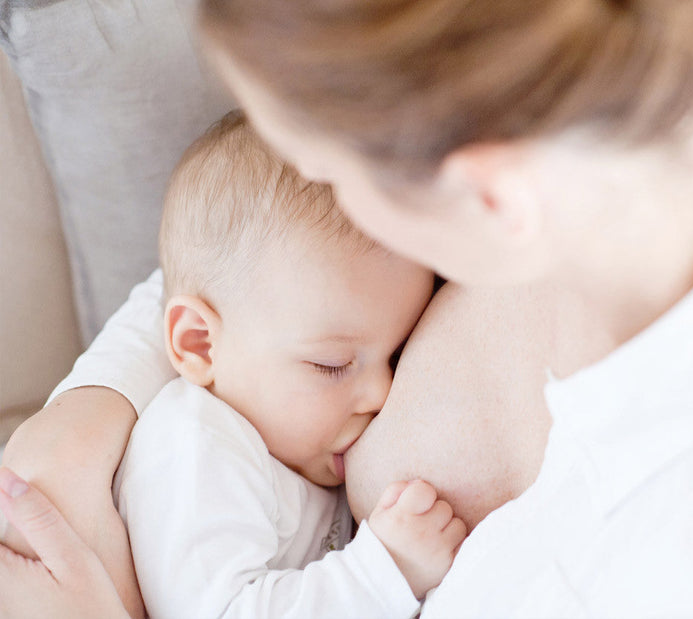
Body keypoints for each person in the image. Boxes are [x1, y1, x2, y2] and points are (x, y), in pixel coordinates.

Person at [0, 1, 693, 617]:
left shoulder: (650, 566)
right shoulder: (649, 75)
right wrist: (94, 410)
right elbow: (257, 255)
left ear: (482, 198)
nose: (312, 183)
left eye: (327, 166)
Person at [121, 110, 463, 618]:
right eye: (331, 364)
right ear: (199, 344)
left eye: (397, 354)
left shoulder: (293, 447)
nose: (382, 394)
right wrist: (383, 572)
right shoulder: (197, 445)